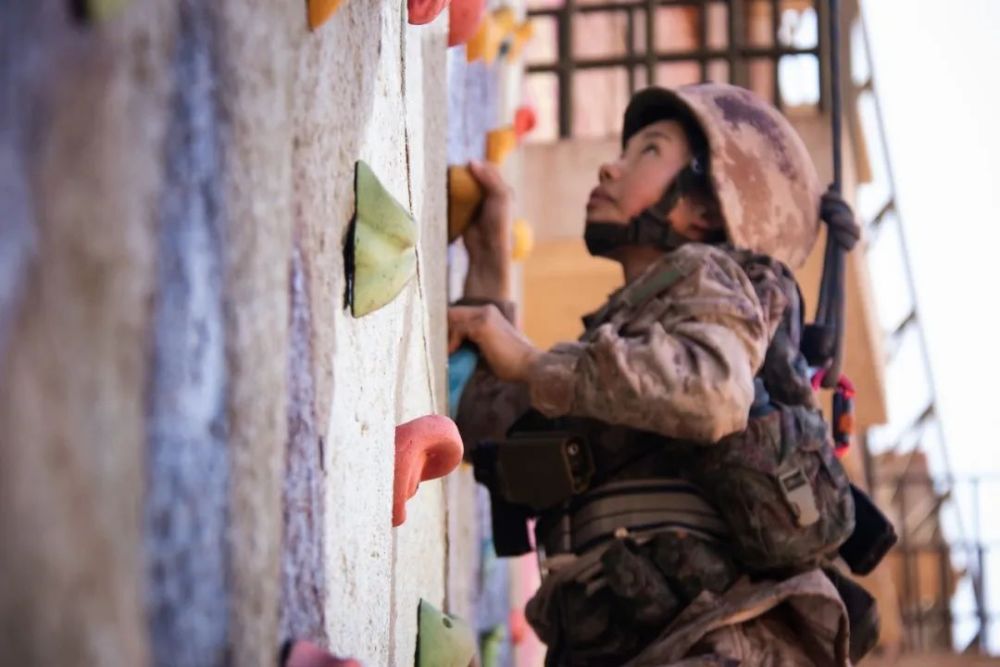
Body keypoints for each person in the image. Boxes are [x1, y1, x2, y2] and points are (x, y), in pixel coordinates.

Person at [449, 83, 861, 666]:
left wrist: (538, 363)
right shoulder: (628, 346)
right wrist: (490, 265)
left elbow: (713, 394)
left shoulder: (715, 278)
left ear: (705, 211)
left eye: (648, 151)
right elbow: (487, 423)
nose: (610, 167)